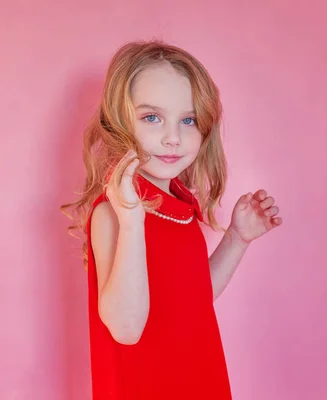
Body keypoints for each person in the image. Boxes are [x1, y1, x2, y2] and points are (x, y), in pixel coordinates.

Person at [61, 40, 282, 399]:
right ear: (119, 121)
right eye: (152, 117)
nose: (172, 138)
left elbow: (192, 299)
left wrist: (238, 238)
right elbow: (126, 328)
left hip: (199, 381)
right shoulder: (113, 213)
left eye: (188, 120)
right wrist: (132, 221)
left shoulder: (180, 208)